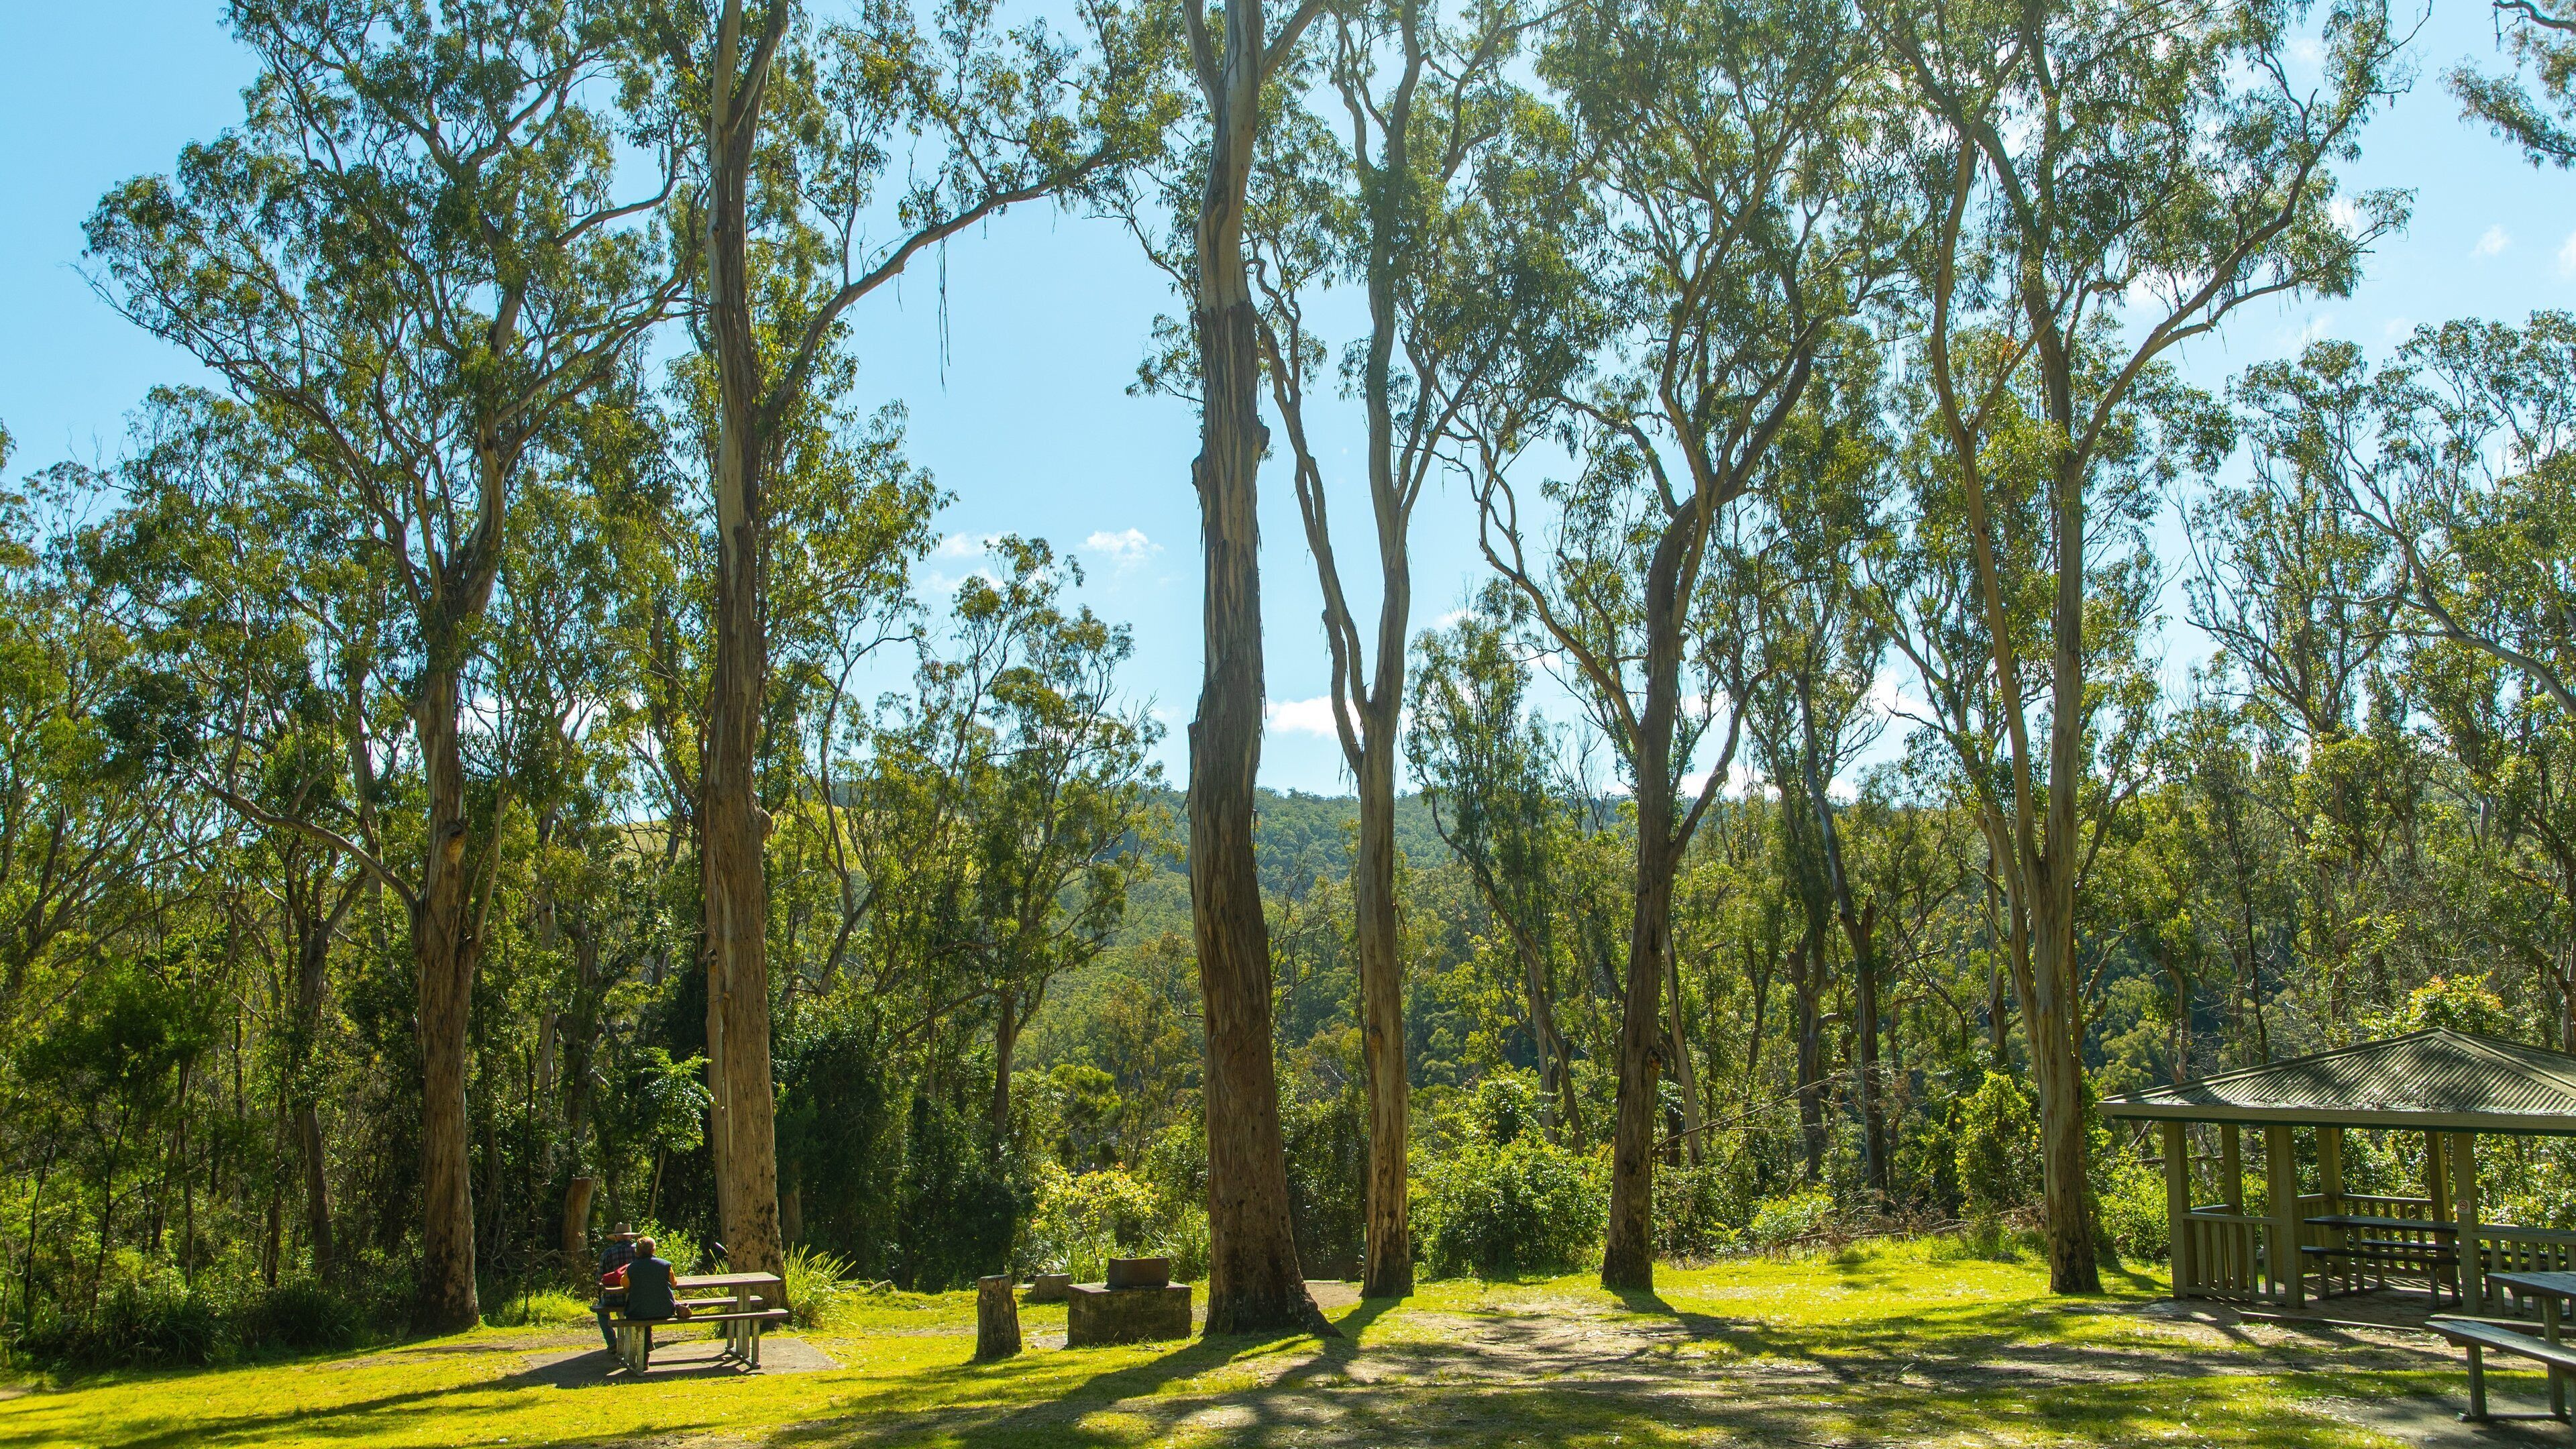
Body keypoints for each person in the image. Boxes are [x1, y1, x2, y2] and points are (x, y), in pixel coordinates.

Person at [623, 1236, 680, 1358]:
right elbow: (674, 1284)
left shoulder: (632, 1268)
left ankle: (641, 1357)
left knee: (645, 1312)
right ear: (653, 1250)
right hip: (665, 1311)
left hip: (637, 1311)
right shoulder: (666, 1265)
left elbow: (625, 1285)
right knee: (649, 1310)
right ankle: (647, 1347)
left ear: (637, 1251)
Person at [593, 1223, 641, 1354]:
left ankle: (613, 1343)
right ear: (630, 1236)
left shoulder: (607, 1253)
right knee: (641, 1312)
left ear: (616, 1237)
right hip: (636, 1299)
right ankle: (645, 1341)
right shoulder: (640, 1251)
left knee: (602, 1313)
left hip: (613, 1299)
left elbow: (599, 1278)